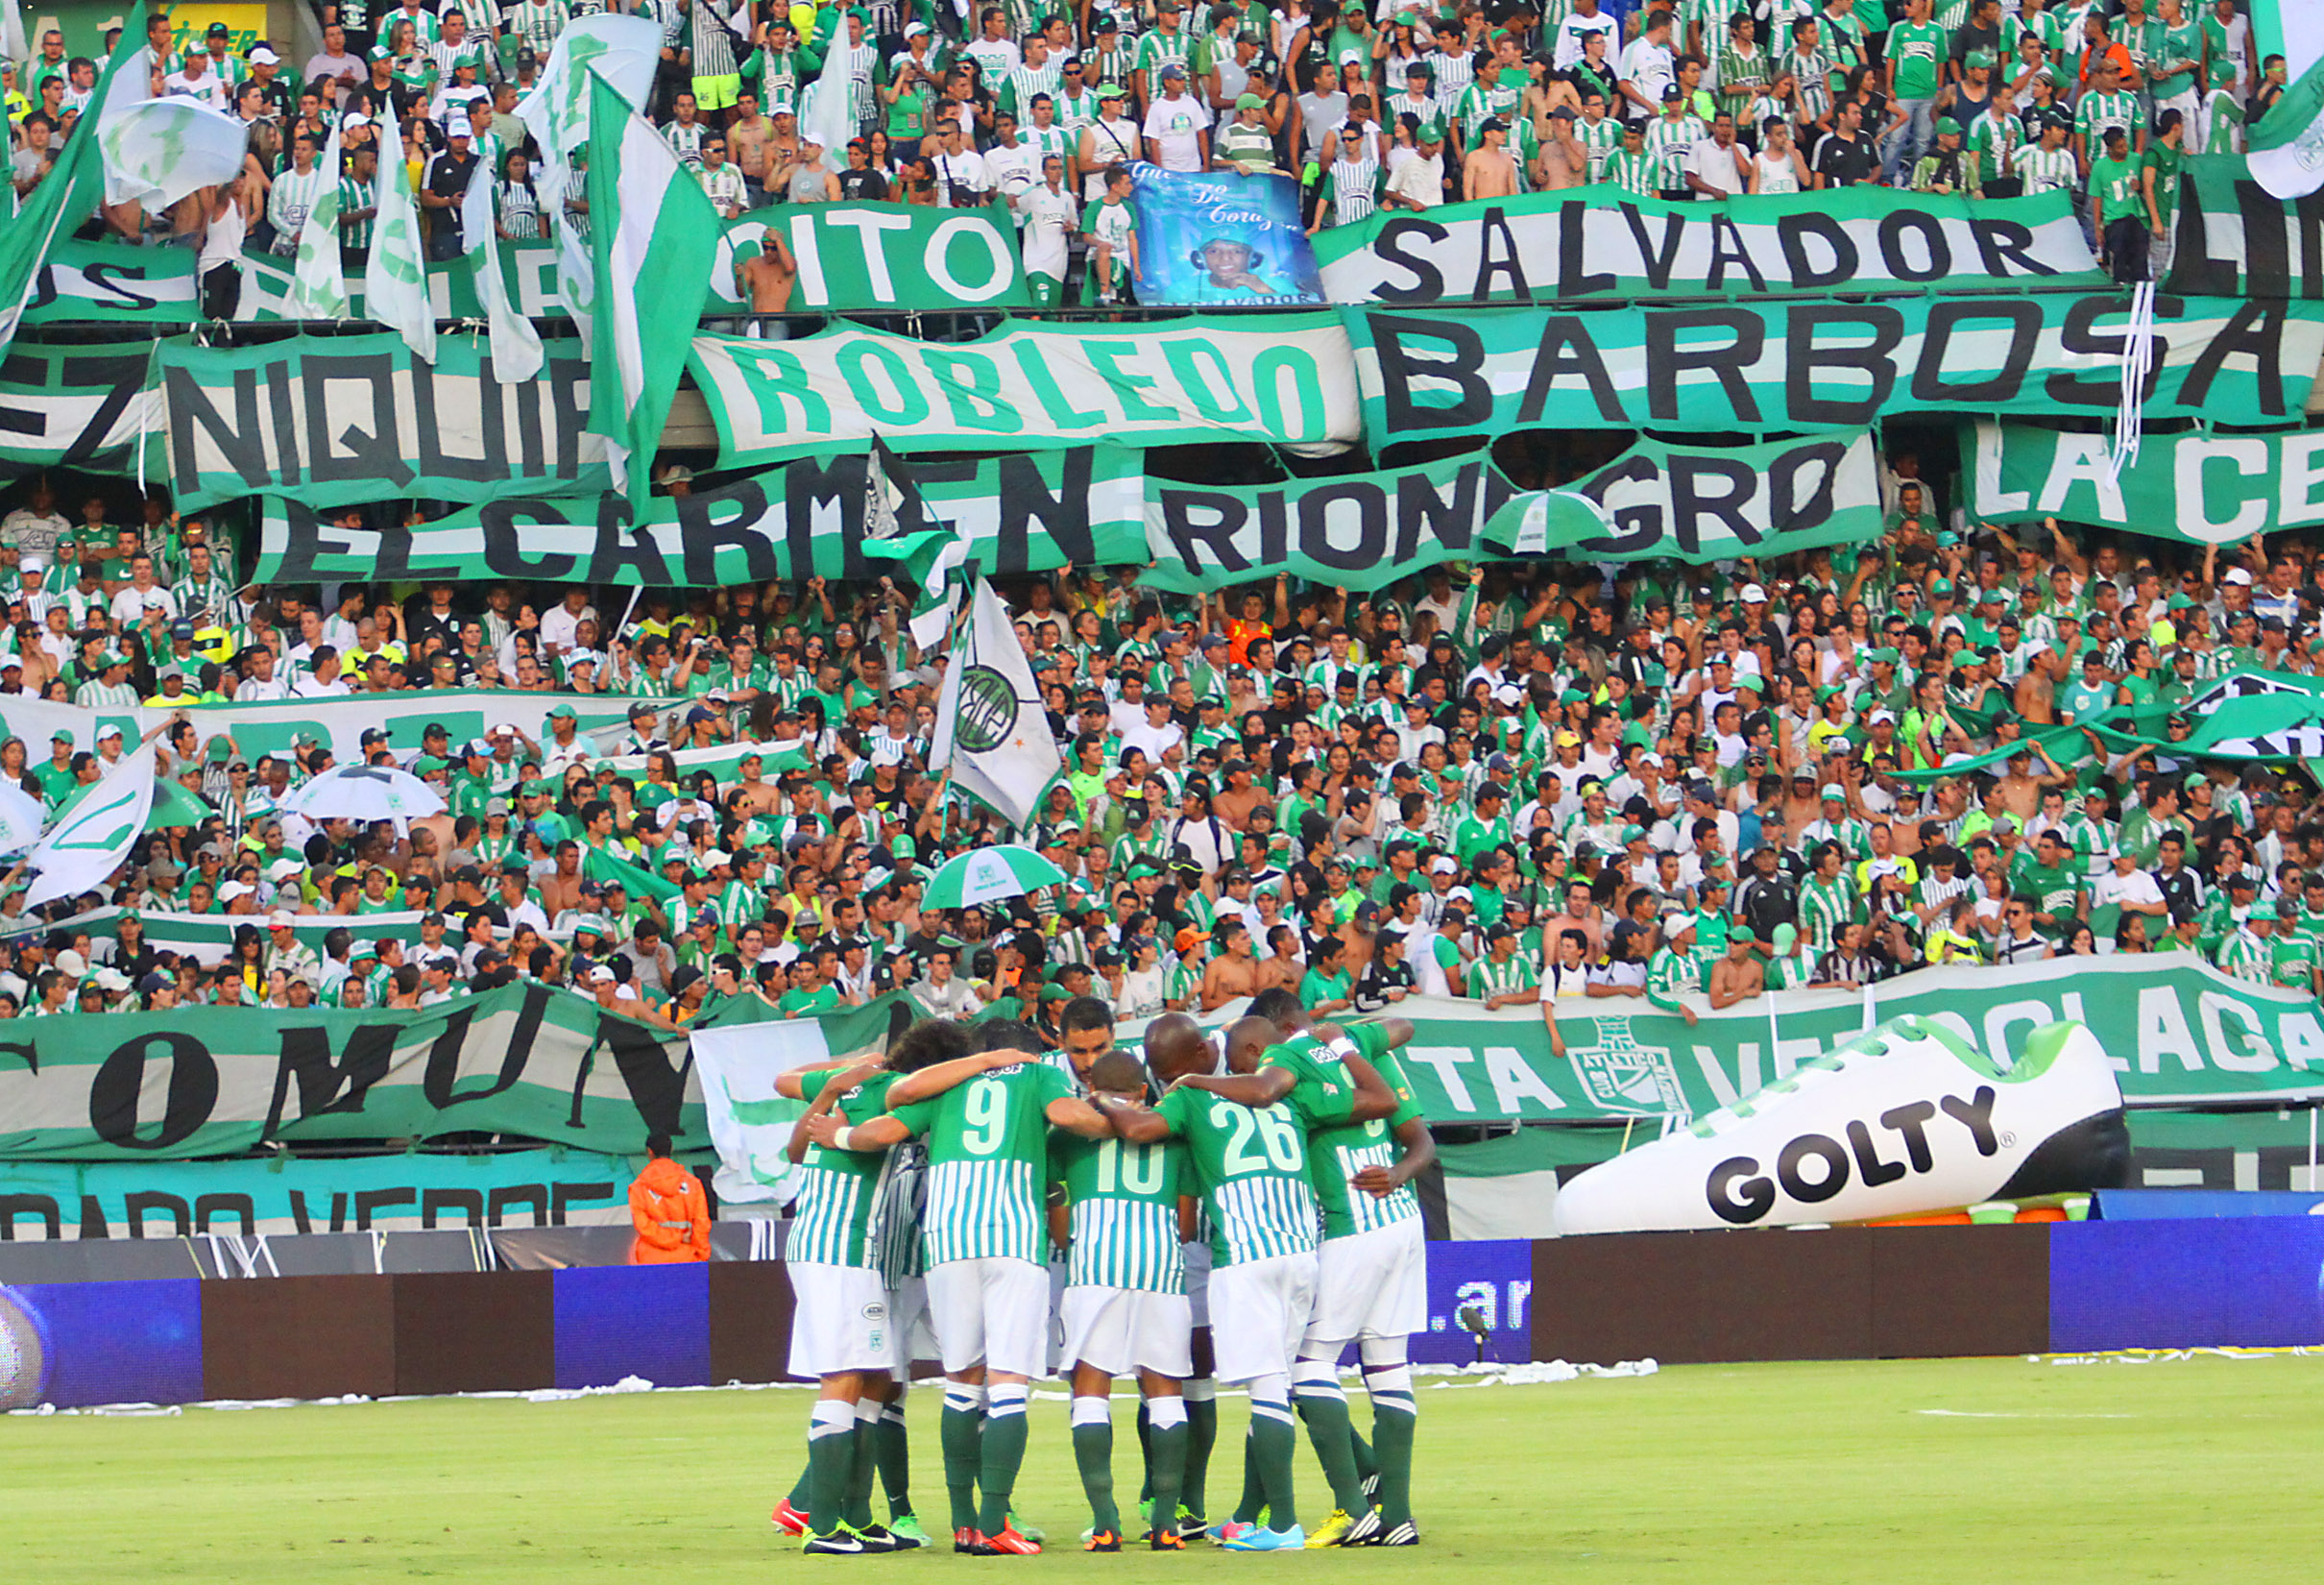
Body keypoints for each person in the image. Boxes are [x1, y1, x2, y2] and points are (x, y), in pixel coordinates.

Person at [625, 1132, 710, 1264]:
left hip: (650, 1260)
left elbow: (643, 1226)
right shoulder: (693, 1184)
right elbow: (701, 1222)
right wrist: (701, 1254)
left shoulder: (638, 1188)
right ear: (671, 1149)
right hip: (687, 1258)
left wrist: (674, 1238)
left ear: (649, 1152)